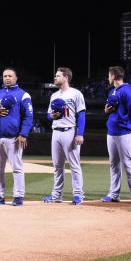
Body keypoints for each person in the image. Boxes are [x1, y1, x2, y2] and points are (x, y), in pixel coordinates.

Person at [0, 67, 33, 206]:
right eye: (5, 76)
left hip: (13, 138)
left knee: (16, 168)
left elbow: (28, 116)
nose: (7, 78)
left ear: (16, 78)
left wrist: (23, 134)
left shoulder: (23, 95)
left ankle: (18, 196)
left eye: (10, 76)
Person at [100, 66, 131, 204]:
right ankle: (114, 194)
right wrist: (106, 112)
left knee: (127, 164)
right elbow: (110, 110)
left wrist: (129, 124)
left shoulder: (126, 91)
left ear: (113, 76)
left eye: (109, 75)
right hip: (112, 131)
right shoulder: (114, 91)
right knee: (114, 164)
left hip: (125, 132)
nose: (108, 78)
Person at [42, 67, 86, 204]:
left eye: (58, 76)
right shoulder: (54, 96)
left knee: (74, 165)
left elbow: (82, 114)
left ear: (66, 78)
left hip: (70, 131)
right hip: (56, 131)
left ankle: (78, 195)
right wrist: (51, 116)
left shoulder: (76, 93)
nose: (55, 78)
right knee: (57, 166)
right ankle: (56, 195)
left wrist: (80, 134)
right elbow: (49, 116)